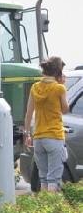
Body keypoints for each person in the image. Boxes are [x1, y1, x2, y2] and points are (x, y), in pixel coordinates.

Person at [24, 56, 69, 192]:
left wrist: (27, 134)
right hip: (54, 136)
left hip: (38, 138)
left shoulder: (35, 87)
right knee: (53, 179)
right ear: (58, 72)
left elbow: (28, 113)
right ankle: (52, 209)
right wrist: (63, 85)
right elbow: (65, 110)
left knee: (43, 177)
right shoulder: (59, 88)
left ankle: (45, 205)